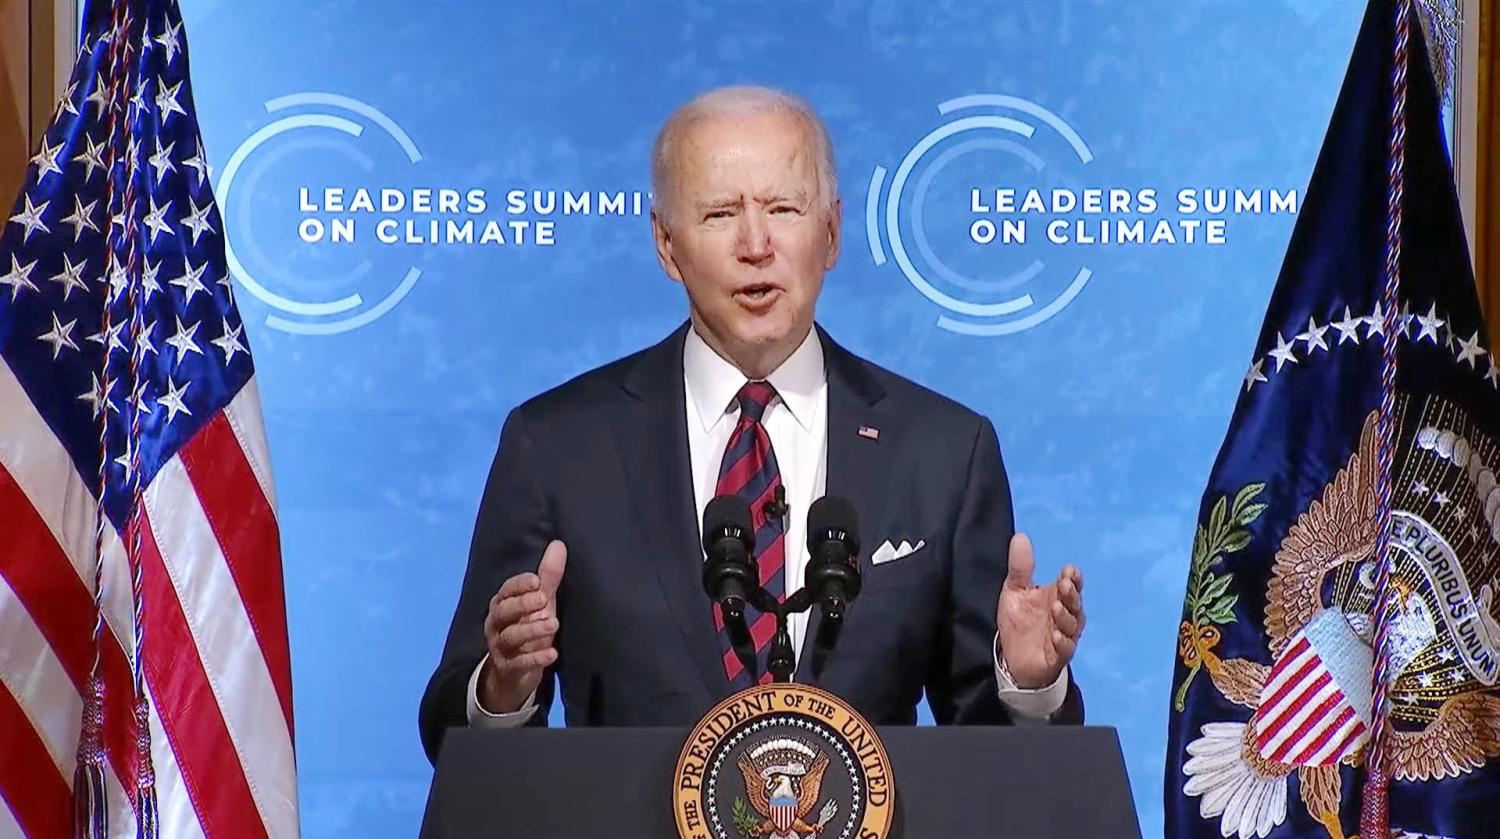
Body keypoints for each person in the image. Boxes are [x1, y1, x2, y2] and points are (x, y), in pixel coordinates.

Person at [419, 85, 1086, 764]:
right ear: (666, 244)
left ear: (830, 233)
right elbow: (454, 731)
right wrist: (502, 688)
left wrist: (1027, 683)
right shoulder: (558, 444)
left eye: (783, 209)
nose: (756, 244)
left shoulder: (944, 449)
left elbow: (997, 768)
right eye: (718, 213)